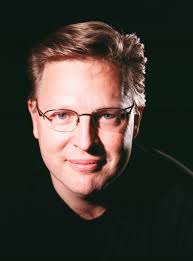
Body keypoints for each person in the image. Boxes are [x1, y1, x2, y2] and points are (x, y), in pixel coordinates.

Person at [2, 21, 193, 258]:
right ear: (35, 118)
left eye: (107, 116)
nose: (85, 142)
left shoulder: (185, 209)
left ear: (136, 120)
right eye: (61, 115)